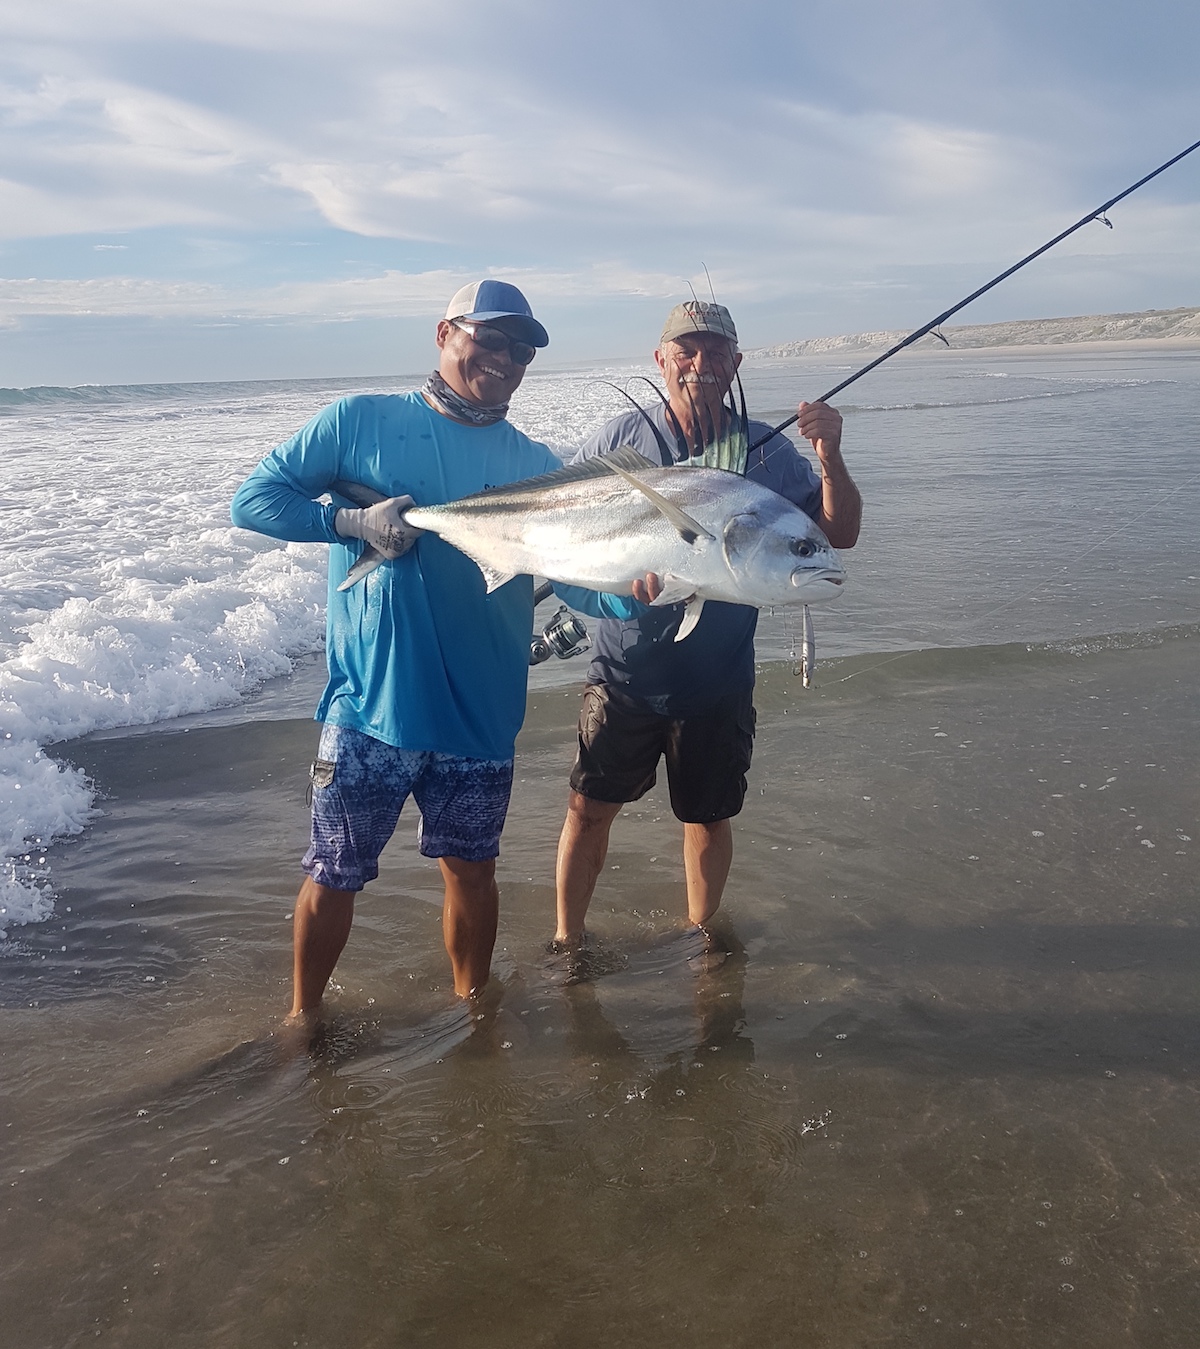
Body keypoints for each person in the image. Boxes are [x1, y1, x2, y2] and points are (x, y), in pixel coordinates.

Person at [231, 280, 645, 1020]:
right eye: (490, 339)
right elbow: (256, 499)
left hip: (480, 717)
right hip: (370, 709)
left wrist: (640, 590)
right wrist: (351, 523)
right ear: (444, 333)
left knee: (474, 873)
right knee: (333, 872)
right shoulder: (361, 421)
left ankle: (473, 1010)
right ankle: (303, 1017)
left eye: (521, 349)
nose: (507, 358)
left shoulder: (536, 464)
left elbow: (578, 585)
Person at [552, 299, 862, 952]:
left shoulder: (770, 454)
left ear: (736, 362)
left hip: (718, 677)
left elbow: (838, 535)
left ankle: (699, 940)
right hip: (624, 670)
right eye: (686, 350)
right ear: (660, 359)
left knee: (708, 818)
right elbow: (559, 521)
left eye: (716, 351)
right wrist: (606, 587)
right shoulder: (616, 441)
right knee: (587, 810)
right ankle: (566, 940)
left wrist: (830, 455)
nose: (700, 363)